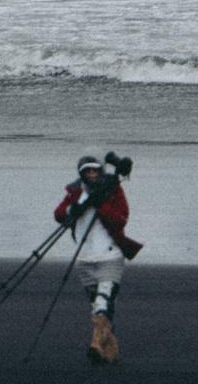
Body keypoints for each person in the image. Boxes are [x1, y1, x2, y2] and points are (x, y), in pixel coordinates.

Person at [54, 153, 142, 365]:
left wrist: (101, 206)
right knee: (98, 307)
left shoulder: (113, 191)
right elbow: (59, 214)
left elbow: (121, 220)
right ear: (82, 173)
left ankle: (95, 344)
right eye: (88, 171)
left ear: (101, 172)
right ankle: (109, 351)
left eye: (95, 170)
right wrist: (74, 208)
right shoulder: (75, 192)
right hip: (85, 258)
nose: (92, 174)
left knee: (103, 303)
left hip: (111, 255)